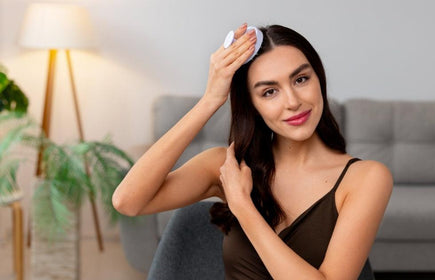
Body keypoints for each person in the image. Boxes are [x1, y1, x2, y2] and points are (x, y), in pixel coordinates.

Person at [113, 23, 393, 280]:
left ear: (318, 79)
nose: (293, 102)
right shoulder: (229, 167)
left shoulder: (366, 178)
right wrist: (210, 100)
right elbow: (128, 201)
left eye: (301, 79)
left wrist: (243, 208)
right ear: (253, 105)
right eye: (270, 92)